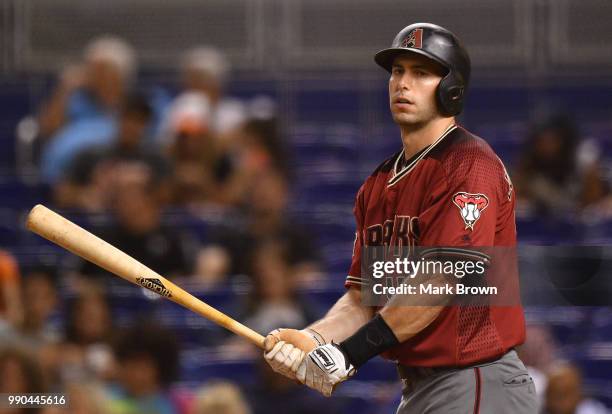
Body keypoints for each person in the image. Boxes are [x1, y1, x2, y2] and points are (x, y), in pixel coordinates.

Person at [262, 23, 538, 413]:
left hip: (477, 379)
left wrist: (350, 354)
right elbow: (362, 299)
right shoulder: (377, 185)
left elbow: (442, 279)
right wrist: (313, 340)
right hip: (422, 388)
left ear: (451, 88)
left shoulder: (469, 161)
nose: (402, 84)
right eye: (397, 71)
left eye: (421, 73)